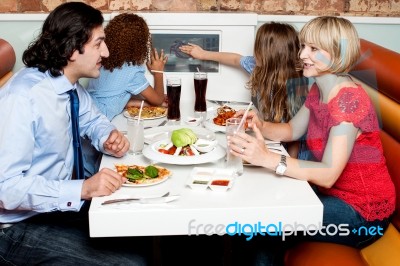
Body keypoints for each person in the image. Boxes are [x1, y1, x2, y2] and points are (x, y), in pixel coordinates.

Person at [228, 16, 396, 264]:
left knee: (262, 226)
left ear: (337, 53)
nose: (302, 55)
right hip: (331, 194)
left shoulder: (349, 101)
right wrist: (260, 124)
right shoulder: (321, 87)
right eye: (303, 46)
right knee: (257, 217)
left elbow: (328, 173)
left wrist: (268, 158)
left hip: (363, 213)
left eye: (313, 49)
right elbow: (292, 130)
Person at [0, 2, 147, 265]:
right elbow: (5, 188)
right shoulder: (24, 97)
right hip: (16, 227)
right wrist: (82, 188)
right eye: (99, 43)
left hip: (55, 208)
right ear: (71, 49)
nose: (107, 51)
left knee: (142, 225)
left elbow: (93, 120)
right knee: (130, 262)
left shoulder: (67, 86)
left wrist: (108, 135)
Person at [179, 22, 310, 160]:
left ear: (270, 54)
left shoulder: (296, 87)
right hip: (270, 139)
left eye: (258, 47)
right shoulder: (257, 67)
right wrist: (203, 54)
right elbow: (235, 59)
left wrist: (289, 164)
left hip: (290, 152)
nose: (254, 52)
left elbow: (296, 136)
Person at [87, 12, 167, 121]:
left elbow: (111, 98)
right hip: (98, 120)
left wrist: (143, 103)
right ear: (139, 45)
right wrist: (158, 72)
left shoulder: (101, 62)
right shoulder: (131, 72)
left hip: (88, 110)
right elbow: (158, 100)